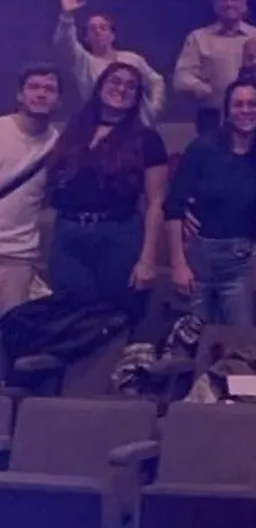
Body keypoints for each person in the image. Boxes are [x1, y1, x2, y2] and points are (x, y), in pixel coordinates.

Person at [45, 63, 167, 318]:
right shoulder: (74, 132)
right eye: (115, 81)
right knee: (70, 315)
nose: (121, 89)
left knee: (113, 316)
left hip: (117, 235)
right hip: (68, 235)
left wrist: (147, 260)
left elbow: (156, 202)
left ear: (137, 97)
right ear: (100, 86)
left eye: (130, 86)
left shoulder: (146, 139)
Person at [164, 78, 256, 327]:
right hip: (197, 259)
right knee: (190, 340)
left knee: (239, 343)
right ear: (227, 111)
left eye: (253, 104)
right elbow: (173, 207)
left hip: (241, 263)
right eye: (238, 104)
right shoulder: (202, 149)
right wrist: (178, 264)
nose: (245, 110)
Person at [0, 64, 62, 315]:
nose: (41, 94)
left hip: (19, 256)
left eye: (49, 89)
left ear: (58, 100)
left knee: (9, 337)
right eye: (33, 87)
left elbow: (48, 197)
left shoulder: (59, 146)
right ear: (20, 95)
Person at [53, 0, 165, 123]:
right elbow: (64, 44)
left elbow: (156, 81)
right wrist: (67, 16)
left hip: (138, 125)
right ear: (87, 38)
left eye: (103, 28)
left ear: (112, 35)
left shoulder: (133, 59)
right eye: (92, 29)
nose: (98, 32)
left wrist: (153, 109)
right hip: (101, 124)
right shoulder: (84, 63)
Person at [173, 0, 256, 134]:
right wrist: (201, 88)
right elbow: (181, 78)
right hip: (212, 117)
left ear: (245, 3)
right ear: (214, 4)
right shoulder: (198, 38)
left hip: (255, 113)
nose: (229, 4)